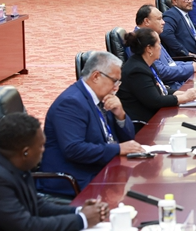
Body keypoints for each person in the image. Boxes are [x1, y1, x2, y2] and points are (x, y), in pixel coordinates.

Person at [39, 52, 142, 197]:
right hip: (75, 178)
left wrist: (120, 114)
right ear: (96, 76)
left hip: (101, 168)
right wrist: (117, 149)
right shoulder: (71, 103)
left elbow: (129, 138)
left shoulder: (102, 99)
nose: (116, 88)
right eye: (114, 81)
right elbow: (74, 149)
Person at [118, 28, 196, 128]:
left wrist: (183, 93)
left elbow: (160, 90)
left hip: (156, 118)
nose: (160, 47)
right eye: (158, 44)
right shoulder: (136, 70)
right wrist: (184, 98)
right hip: (143, 125)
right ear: (149, 48)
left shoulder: (147, 64)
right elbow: (155, 101)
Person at [134, 4, 196, 89]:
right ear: (147, 21)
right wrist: (192, 68)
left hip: (177, 83)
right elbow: (160, 72)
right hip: (169, 88)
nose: (163, 22)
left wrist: (194, 64)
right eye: (159, 19)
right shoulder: (140, 41)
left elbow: (171, 63)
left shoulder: (151, 36)